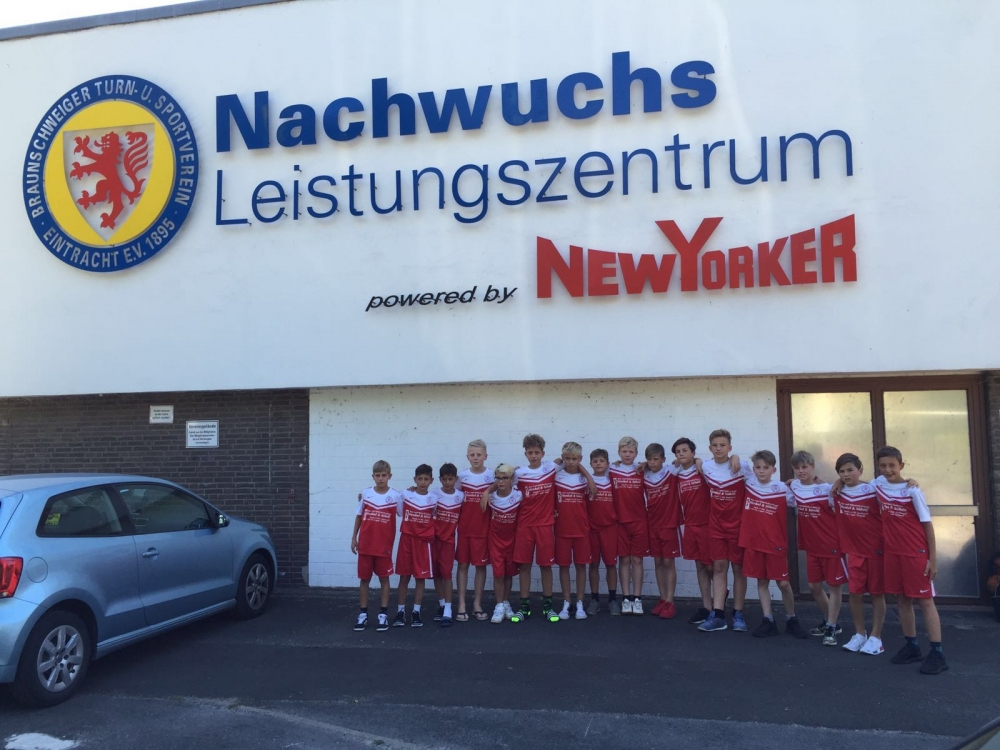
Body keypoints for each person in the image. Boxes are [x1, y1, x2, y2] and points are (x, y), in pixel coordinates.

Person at [874, 446, 948, 675]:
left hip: (915, 553)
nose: (887, 470)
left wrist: (932, 559)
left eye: (892, 465)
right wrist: (837, 482)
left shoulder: (912, 490)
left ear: (901, 466)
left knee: (925, 601)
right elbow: (854, 483)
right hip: (893, 553)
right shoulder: (878, 484)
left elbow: (928, 525)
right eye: (883, 466)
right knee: (902, 600)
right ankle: (912, 646)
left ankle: (937, 653)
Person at [738, 450, 808, 638]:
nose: (761, 471)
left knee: (783, 583)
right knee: (762, 581)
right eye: (758, 467)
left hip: (775, 543)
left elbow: (801, 501)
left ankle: (791, 619)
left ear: (773, 469)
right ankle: (768, 620)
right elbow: (734, 464)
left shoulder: (782, 488)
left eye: (766, 467)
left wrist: (810, 481)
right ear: (753, 469)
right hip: (754, 543)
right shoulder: (749, 483)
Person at [788, 451, 846, 646]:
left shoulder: (826, 488)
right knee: (814, 587)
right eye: (797, 468)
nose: (801, 471)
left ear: (812, 467)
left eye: (804, 467)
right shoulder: (794, 486)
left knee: (834, 587)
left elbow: (850, 490)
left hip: (830, 545)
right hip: (811, 546)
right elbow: (785, 487)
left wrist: (839, 481)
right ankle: (831, 622)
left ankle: (831, 626)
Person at [831, 453, 886, 656]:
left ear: (860, 470)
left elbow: (896, 484)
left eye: (850, 470)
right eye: (842, 471)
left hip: (876, 550)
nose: (846, 474)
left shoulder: (873, 489)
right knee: (854, 593)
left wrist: (910, 482)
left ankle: (876, 637)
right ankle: (859, 634)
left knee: (876, 594)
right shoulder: (836, 492)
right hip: (853, 552)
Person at [698, 429, 752, 632]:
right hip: (716, 527)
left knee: (739, 569)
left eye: (723, 445)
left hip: (738, 527)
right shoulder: (705, 466)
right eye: (715, 445)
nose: (719, 448)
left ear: (730, 447)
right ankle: (718, 614)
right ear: (710, 448)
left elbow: (761, 480)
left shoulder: (742, 466)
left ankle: (738, 613)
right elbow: (687, 462)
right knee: (719, 568)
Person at [510, 434, 562, 624]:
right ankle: (524, 608)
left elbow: (571, 459)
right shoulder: (519, 473)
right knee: (524, 566)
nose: (533, 456)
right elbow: (500, 482)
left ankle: (548, 607)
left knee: (546, 566)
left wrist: (589, 478)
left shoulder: (551, 468)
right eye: (530, 452)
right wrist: (486, 493)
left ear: (543, 453)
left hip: (545, 526)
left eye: (536, 452)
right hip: (524, 526)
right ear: (525, 454)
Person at [351, 460, 401, 632]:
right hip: (365, 544)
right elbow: (359, 516)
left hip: (384, 546)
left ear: (390, 476)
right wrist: (354, 538)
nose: (381, 478)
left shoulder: (396, 496)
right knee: (364, 579)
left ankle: (383, 614)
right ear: (373, 476)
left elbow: (405, 510)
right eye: (377, 475)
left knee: (384, 579)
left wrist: (412, 490)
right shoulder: (366, 493)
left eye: (384, 475)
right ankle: (363, 614)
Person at [672, 438, 714, 624]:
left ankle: (719, 600)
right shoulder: (677, 474)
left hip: (707, 525)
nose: (681, 453)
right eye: (678, 451)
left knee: (711, 566)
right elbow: (653, 465)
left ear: (693, 453)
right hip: (690, 525)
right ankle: (707, 606)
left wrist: (699, 462)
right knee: (699, 566)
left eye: (685, 450)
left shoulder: (702, 469)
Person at [554, 442, 597, 620]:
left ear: (580, 459)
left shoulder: (585, 479)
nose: (571, 462)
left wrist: (588, 476)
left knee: (581, 566)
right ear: (563, 458)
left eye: (574, 459)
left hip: (581, 529)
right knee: (564, 566)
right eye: (567, 458)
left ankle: (579, 602)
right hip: (562, 529)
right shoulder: (556, 476)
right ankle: (567, 602)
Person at [393, 464, 437, 628]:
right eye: (420, 479)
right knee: (404, 577)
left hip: (423, 542)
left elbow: (434, 515)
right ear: (415, 479)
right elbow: (399, 512)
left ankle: (416, 612)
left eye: (426, 479)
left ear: (431, 480)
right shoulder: (405, 495)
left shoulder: (434, 499)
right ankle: (400, 611)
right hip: (407, 540)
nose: (423, 482)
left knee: (420, 577)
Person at [643, 442, 682, 619]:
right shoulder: (644, 474)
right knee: (658, 562)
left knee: (668, 562)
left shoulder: (671, 470)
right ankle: (662, 598)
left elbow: (691, 460)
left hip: (669, 525)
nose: (652, 462)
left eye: (656, 459)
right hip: (652, 524)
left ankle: (670, 601)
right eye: (649, 459)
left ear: (663, 459)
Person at [610, 436, 648, 614]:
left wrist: (646, 463)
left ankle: (637, 598)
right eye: (624, 451)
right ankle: (626, 598)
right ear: (618, 452)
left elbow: (665, 466)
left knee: (637, 560)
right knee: (624, 560)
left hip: (639, 521)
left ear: (636, 453)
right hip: (620, 522)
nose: (627, 454)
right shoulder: (612, 469)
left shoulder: (642, 469)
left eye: (631, 451)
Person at [456, 440, 493, 622]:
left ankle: (477, 604)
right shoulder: (461, 477)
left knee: (480, 567)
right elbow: (451, 496)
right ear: (467, 457)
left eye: (479, 454)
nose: (476, 458)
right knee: (463, 566)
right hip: (465, 529)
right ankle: (461, 604)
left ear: (485, 456)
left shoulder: (492, 476)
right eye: (472, 455)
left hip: (483, 530)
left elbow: (512, 481)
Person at [483, 464, 522, 624]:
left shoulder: (519, 495)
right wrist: (486, 492)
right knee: (498, 574)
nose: (501, 481)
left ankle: (506, 603)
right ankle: (498, 605)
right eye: (498, 478)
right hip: (495, 541)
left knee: (508, 573)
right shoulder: (490, 497)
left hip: (512, 541)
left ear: (511, 479)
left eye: (505, 478)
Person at [586, 448, 620, 616]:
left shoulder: (612, 479)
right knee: (593, 564)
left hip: (609, 528)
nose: (598, 464)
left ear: (607, 463)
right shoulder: (585, 480)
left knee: (611, 564)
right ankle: (595, 599)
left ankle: (613, 599)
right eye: (595, 461)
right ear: (590, 464)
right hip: (591, 529)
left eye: (601, 461)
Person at [431, 463, 463, 627]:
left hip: (449, 541)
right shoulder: (434, 494)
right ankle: (442, 604)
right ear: (440, 479)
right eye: (444, 479)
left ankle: (449, 609)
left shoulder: (461, 496)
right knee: (436, 574)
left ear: (455, 479)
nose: (448, 482)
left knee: (447, 574)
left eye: (450, 479)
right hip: (433, 540)